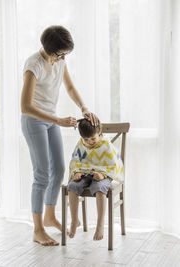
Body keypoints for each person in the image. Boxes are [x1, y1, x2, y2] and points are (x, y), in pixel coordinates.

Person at [20, 25, 100, 246]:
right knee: (42, 174)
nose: (63, 58)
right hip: (34, 121)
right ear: (49, 49)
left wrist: (83, 107)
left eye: (65, 54)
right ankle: (37, 229)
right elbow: (25, 106)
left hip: (51, 120)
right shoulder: (33, 65)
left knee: (59, 169)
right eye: (60, 54)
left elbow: (70, 87)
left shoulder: (60, 61)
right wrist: (58, 121)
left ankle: (49, 215)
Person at [67, 118, 124, 240]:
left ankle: (100, 224)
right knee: (72, 186)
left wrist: (102, 175)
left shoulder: (106, 144)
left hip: (103, 173)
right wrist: (76, 172)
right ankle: (74, 220)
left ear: (99, 132)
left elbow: (114, 164)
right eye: (86, 139)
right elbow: (75, 160)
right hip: (84, 172)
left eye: (92, 138)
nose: (89, 142)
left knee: (98, 187)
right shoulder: (81, 143)